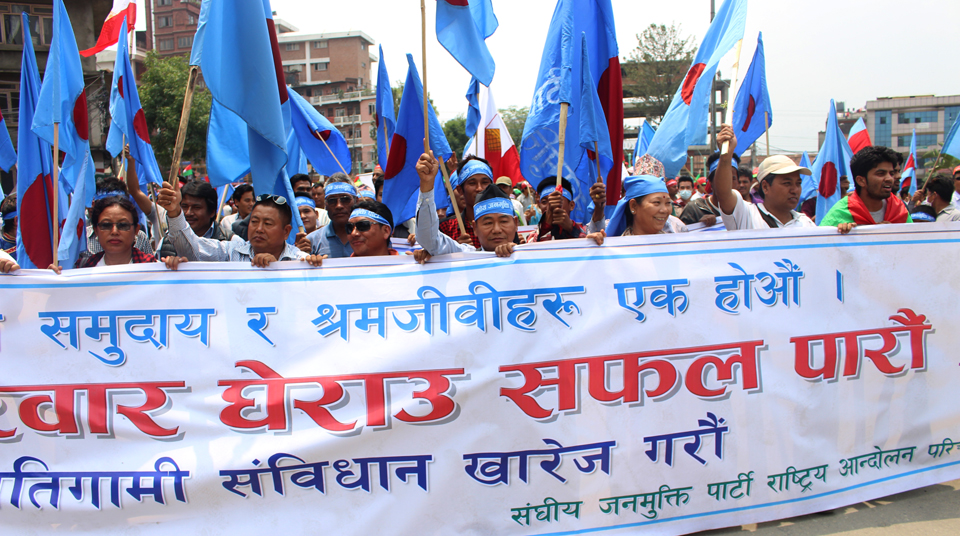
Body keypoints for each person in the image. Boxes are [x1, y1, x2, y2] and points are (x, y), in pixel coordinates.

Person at [156, 181, 322, 268]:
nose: (259, 229)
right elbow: (191, 248)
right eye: (254, 221)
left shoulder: (300, 261)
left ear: (286, 231)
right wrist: (174, 212)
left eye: (267, 223)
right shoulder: (229, 253)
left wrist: (316, 266)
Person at [413, 151, 519, 259]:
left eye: (503, 221)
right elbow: (429, 239)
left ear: (516, 224)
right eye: (488, 223)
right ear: (475, 228)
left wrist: (519, 252)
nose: (496, 230)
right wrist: (427, 184)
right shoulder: (466, 253)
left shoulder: (527, 254)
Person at [713, 126, 816, 230]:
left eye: (798, 183)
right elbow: (723, 193)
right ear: (765, 187)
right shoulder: (746, 215)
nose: (795, 190)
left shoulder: (806, 224)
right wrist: (726, 155)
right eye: (787, 183)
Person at [589, 155, 687, 244]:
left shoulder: (678, 231)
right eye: (656, 202)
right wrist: (593, 244)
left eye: (668, 203)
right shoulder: (614, 239)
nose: (664, 210)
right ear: (634, 206)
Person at [51, 195, 158, 272]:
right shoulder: (82, 269)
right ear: (96, 230)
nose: (114, 232)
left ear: (136, 230)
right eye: (106, 225)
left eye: (123, 225)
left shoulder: (155, 269)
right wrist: (51, 281)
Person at [819, 146, 912, 233]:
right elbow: (821, 242)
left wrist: (893, 233)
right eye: (881, 173)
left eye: (891, 174)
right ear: (861, 180)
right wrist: (842, 235)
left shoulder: (899, 209)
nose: (889, 179)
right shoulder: (839, 214)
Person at [439, 156, 494, 248]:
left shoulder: (504, 224)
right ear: (460, 190)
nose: (479, 188)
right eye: (472, 183)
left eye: (485, 182)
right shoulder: (445, 228)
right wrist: (454, 249)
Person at [679, 151, 742, 227]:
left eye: (732, 178)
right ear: (710, 181)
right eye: (721, 178)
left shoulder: (746, 210)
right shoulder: (694, 209)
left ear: (738, 182)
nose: (727, 183)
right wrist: (699, 225)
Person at [303, 177, 357, 257]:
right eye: (332, 200)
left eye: (345, 199)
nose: (339, 206)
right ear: (325, 204)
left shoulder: (369, 238)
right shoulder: (312, 241)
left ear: (356, 201)